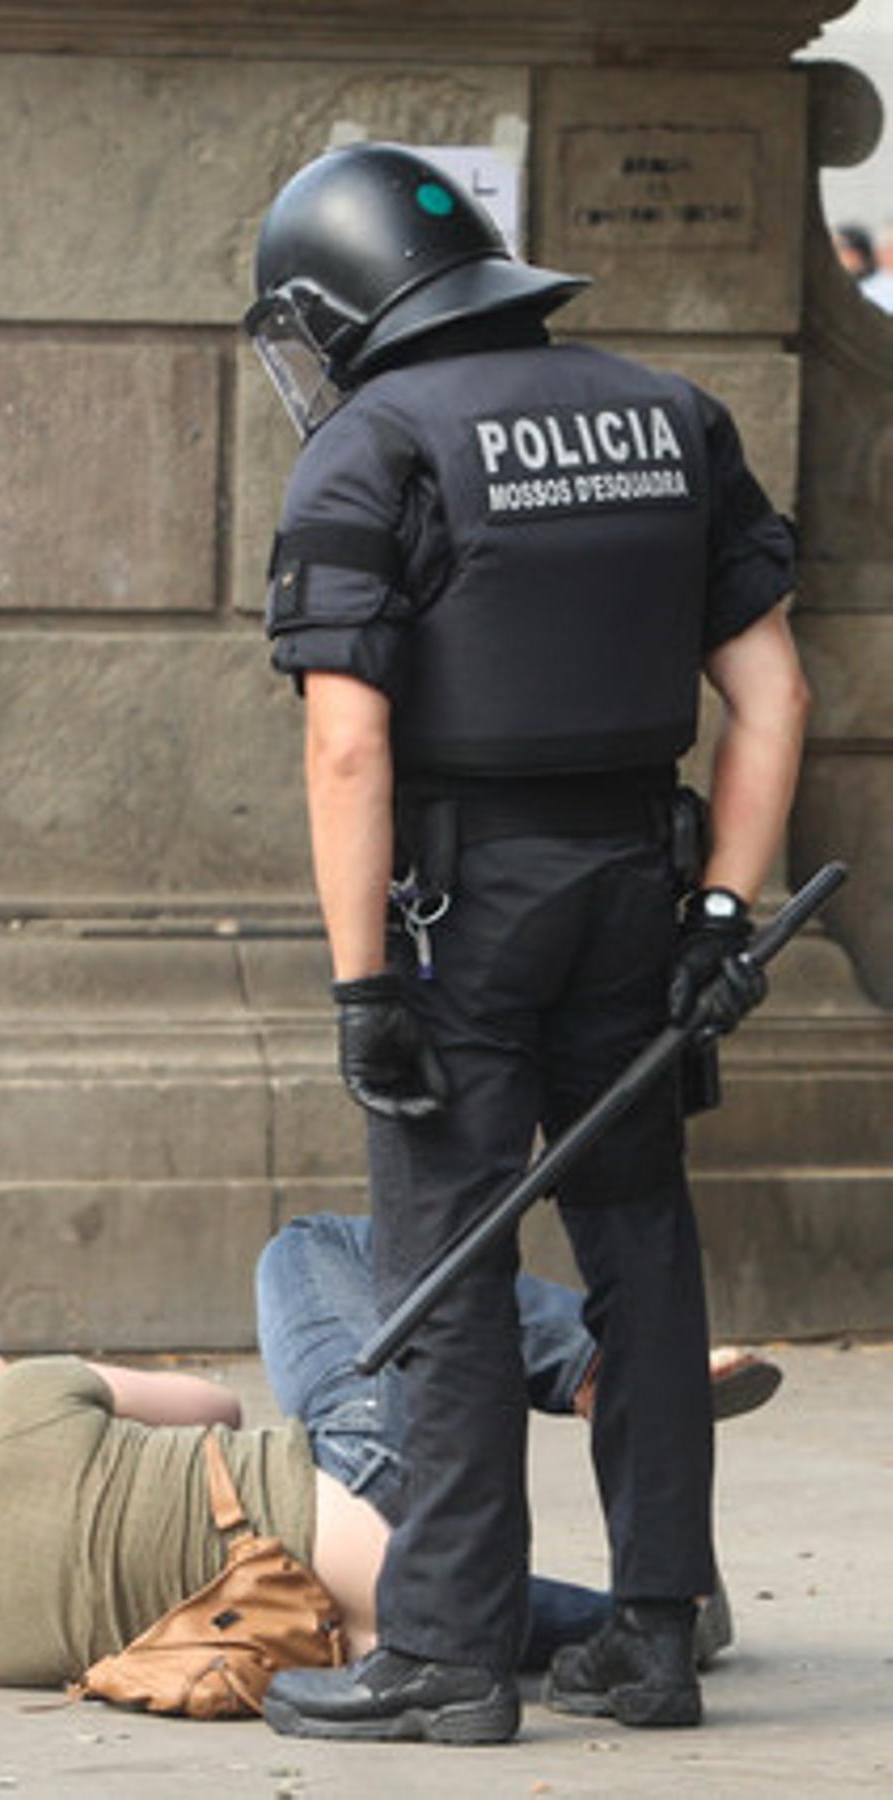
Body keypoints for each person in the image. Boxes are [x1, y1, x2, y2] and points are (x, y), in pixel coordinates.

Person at [244, 141, 810, 1743]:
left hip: (458, 908)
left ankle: (447, 1653)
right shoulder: (669, 415)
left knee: (451, 1267)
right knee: (642, 1257)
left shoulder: (369, 449)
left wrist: (365, 983)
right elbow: (772, 696)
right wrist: (725, 913)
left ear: (342, 299)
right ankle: (650, 1634)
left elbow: (347, 749)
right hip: (644, 883)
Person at [0, 1316, 610, 1688]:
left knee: (478, 1607)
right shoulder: (18, 1403)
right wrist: (12, 1378)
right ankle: (588, 1362)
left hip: (341, 1624)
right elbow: (217, 1405)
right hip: (362, 1488)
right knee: (312, 1252)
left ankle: (649, 1618)